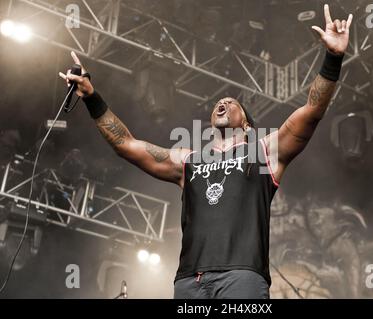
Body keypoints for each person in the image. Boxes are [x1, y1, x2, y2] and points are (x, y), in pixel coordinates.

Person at [59, 4, 353, 299]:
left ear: (248, 125)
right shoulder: (189, 161)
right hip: (190, 281)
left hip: (242, 278)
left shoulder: (263, 150)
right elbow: (127, 145)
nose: (221, 104)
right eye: (218, 103)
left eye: (231, 102)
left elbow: (311, 112)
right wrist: (91, 97)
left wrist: (333, 57)